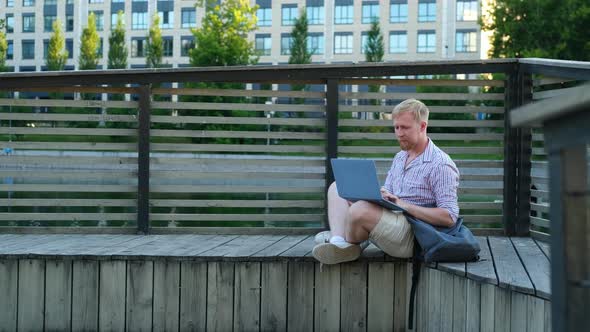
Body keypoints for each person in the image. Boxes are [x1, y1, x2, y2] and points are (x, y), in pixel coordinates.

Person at [312, 98, 460, 264]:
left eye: (404, 127)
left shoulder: (441, 164)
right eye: (396, 127)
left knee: (360, 210)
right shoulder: (400, 157)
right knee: (337, 187)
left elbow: (449, 217)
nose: (399, 133)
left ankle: (342, 239)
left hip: (415, 234)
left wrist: (404, 205)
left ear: (422, 126)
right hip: (391, 220)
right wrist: (379, 195)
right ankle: (340, 242)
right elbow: (390, 193)